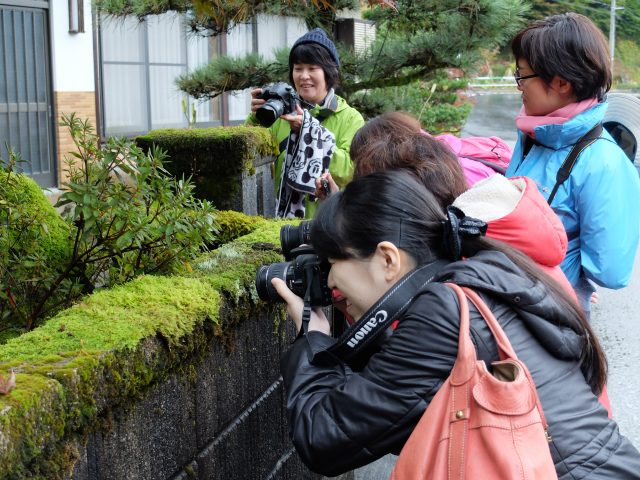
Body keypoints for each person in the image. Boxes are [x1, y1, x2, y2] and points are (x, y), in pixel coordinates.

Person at [272, 170, 640, 478]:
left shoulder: (444, 312)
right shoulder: (488, 273)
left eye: (333, 262)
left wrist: (313, 340)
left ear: (387, 259)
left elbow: (323, 438)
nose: (331, 282)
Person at [505, 13, 640, 315]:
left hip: (553, 316)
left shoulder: (605, 163)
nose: (519, 86)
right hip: (505, 293)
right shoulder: (533, 132)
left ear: (562, 83)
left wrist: (562, 258)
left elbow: (611, 270)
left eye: (522, 76)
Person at [246, 28, 364, 219]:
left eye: (312, 68)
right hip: (277, 224)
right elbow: (247, 158)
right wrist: (256, 116)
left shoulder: (350, 118)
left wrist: (308, 134)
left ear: (329, 72)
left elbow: (349, 170)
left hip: (325, 227)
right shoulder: (282, 113)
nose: (303, 76)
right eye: (298, 68)